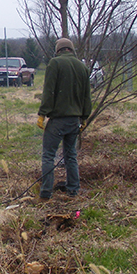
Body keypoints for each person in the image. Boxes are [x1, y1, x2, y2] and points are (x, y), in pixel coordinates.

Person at [36, 38, 92, 202]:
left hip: (58, 120)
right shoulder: (82, 67)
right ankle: (73, 190)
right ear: (71, 50)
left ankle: (45, 194)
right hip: (74, 120)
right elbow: (86, 96)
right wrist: (84, 117)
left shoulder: (55, 64)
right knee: (70, 155)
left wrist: (42, 114)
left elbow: (49, 91)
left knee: (48, 156)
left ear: (58, 50)